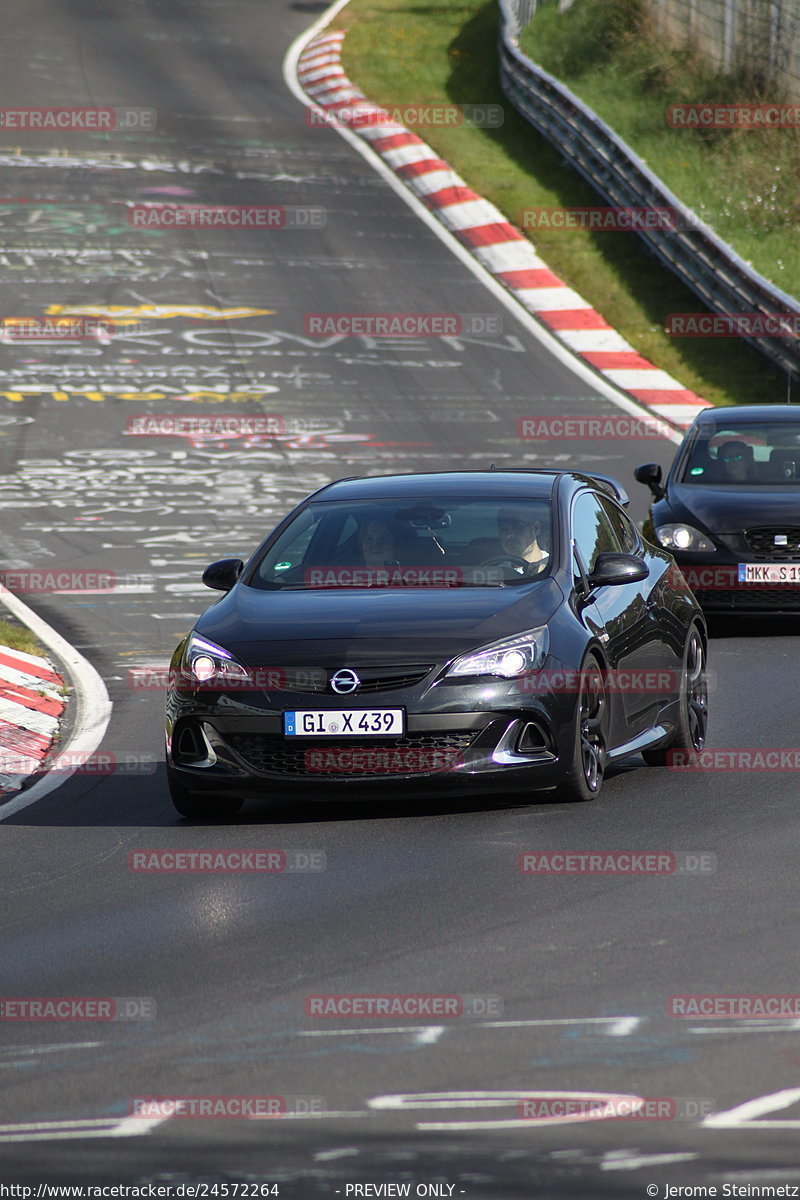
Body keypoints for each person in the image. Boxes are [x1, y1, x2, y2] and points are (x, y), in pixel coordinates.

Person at [497, 507, 549, 573]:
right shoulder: (496, 574)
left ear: (536, 528)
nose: (509, 535)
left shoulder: (556, 567)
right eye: (503, 529)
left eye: (517, 527)